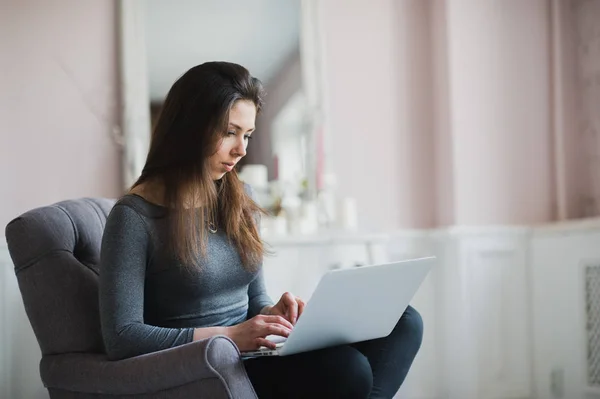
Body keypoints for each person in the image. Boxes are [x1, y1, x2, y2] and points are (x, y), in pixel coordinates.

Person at [99, 61, 423, 399]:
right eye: (229, 132)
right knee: (347, 369)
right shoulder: (134, 217)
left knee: (404, 322)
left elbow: (254, 299)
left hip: (254, 351)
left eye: (247, 135)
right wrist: (230, 335)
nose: (242, 150)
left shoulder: (240, 198)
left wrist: (273, 313)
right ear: (189, 128)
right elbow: (122, 338)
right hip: (205, 367)